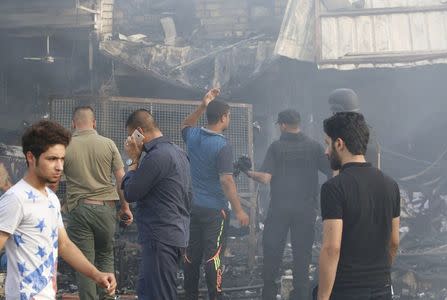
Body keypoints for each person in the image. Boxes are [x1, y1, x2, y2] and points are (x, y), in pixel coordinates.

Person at [0, 120, 116, 299]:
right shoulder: (16, 199)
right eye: (52, 159)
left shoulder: (51, 198)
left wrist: (96, 274)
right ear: (31, 157)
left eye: (62, 159)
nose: (60, 166)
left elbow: (64, 245)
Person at [245, 109, 331, 300]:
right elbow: (332, 173)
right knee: (302, 257)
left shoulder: (276, 147)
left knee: (272, 255)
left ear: (282, 125)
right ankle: (301, 295)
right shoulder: (315, 147)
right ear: (298, 124)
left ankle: (269, 295)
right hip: (306, 210)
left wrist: (247, 172)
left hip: (279, 210)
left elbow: (266, 178)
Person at [316, 112, 400, 300]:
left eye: (327, 143)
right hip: (382, 289)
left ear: (339, 144)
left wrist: (322, 297)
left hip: (347, 291)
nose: (326, 151)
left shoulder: (334, 188)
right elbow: (394, 241)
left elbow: (331, 249)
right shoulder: (390, 184)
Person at [182, 89, 250, 300]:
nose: (229, 118)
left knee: (191, 255)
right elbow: (226, 180)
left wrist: (202, 105)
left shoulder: (193, 136)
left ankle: (190, 295)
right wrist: (239, 210)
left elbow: (185, 125)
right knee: (213, 256)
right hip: (215, 211)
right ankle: (215, 296)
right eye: (228, 115)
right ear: (223, 117)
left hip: (194, 208)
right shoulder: (222, 145)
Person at [63, 106, 132, 300]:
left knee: (85, 262)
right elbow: (121, 180)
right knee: (105, 256)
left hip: (79, 209)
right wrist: (125, 207)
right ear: (94, 123)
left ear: (73, 124)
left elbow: (54, 176)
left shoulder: (65, 146)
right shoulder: (108, 144)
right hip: (106, 208)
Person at [121, 109, 191, 299]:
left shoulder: (156, 157)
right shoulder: (178, 152)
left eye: (131, 136)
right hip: (174, 233)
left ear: (139, 132)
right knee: (149, 291)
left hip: (160, 237)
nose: (130, 142)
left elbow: (131, 192)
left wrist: (133, 161)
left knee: (158, 294)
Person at [328, 88, 381, 169]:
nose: (332, 114)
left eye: (333, 111)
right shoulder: (366, 130)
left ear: (338, 111)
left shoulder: (343, 134)